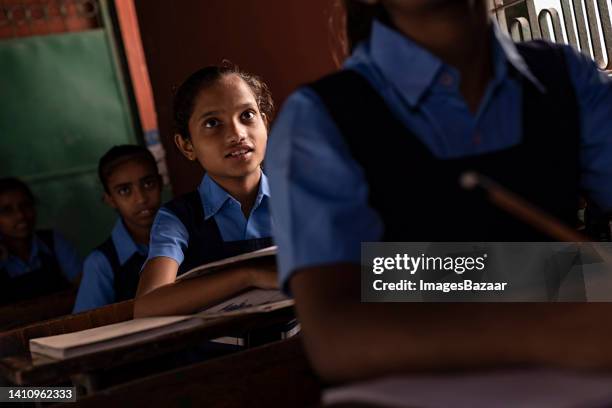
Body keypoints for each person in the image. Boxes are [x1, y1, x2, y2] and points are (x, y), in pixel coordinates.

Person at [266, 0, 612, 382]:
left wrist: (399, 277)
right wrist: (558, 313)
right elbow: (336, 335)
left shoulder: (569, 77)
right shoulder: (317, 120)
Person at [134, 65, 278, 318]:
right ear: (187, 145)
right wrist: (249, 275)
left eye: (247, 115)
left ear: (264, 123)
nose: (236, 134)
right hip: (221, 357)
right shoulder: (177, 218)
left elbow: (372, 260)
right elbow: (147, 306)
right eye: (213, 123)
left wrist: (374, 298)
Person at [73, 145, 163, 313]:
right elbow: (86, 328)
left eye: (148, 183)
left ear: (160, 183)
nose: (141, 199)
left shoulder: (189, 235)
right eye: (124, 190)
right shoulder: (101, 263)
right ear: (110, 199)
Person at [0, 178, 82, 305]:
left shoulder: (53, 241)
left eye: (26, 205)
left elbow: (83, 286)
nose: (21, 215)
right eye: (7, 210)